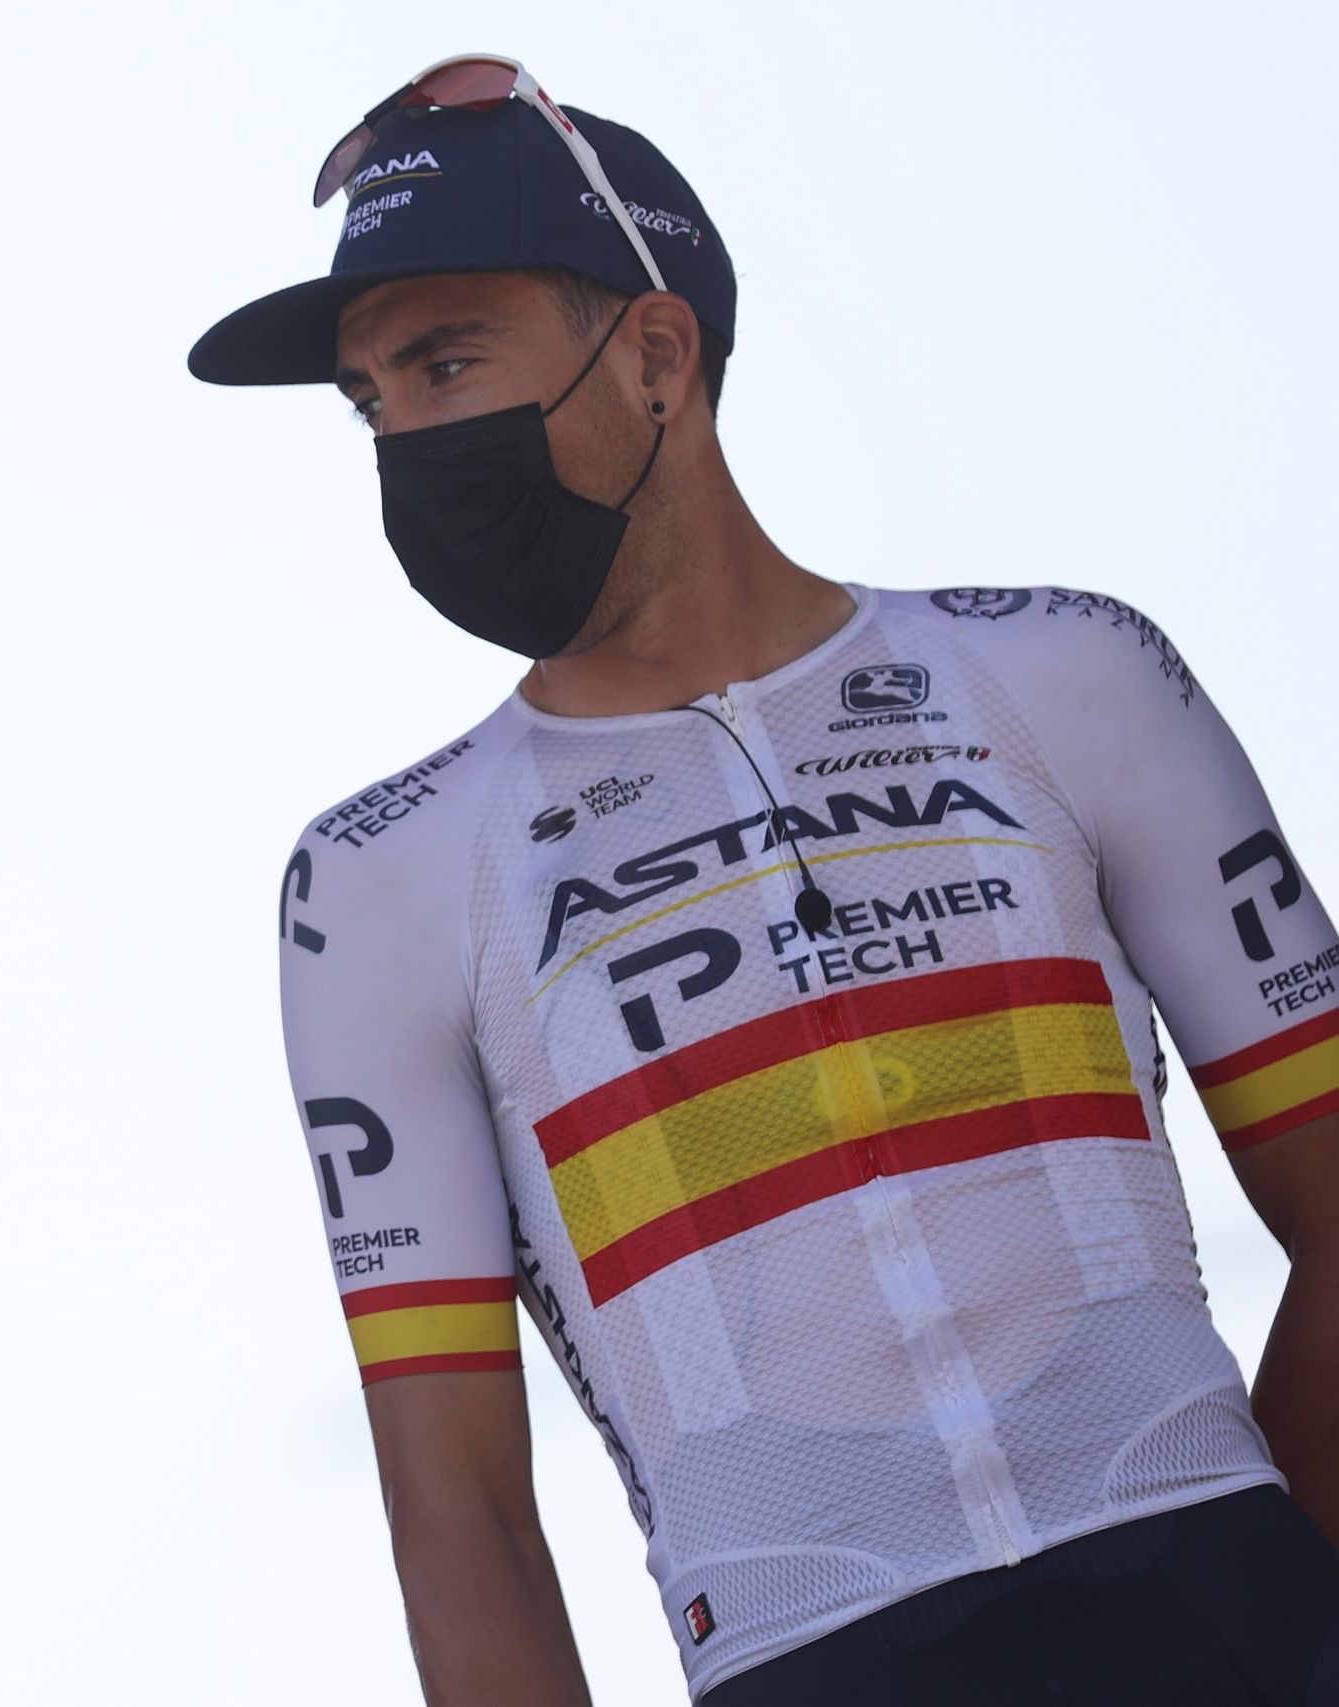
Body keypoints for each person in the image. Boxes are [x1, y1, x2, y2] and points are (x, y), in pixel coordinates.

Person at [189, 53, 1339, 1706]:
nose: (408, 440)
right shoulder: (373, 885)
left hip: (1224, 1591)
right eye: (372, 400)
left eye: (445, 362)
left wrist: (1286, 1594)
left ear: (657, 355)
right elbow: (457, 1514)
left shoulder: (1070, 673)